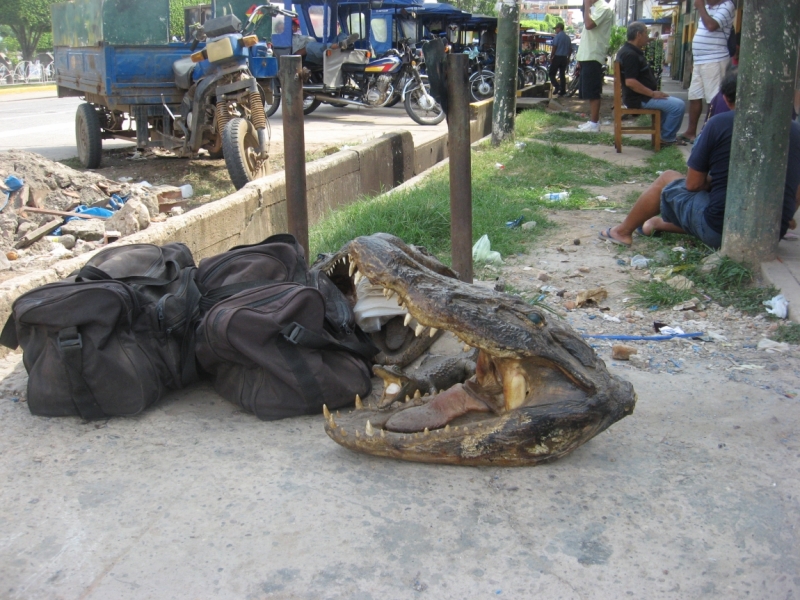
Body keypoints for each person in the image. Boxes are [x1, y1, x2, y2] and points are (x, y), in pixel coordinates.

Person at [598, 71, 800, 249]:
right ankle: (656, 224)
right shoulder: (795, 130)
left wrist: (711, 182)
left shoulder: (720, 123)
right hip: (771, 234)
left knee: (668, 178)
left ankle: (622, 232)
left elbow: (693, 184)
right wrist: (786, 214)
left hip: (721, 230)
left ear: (727, 100)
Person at [616, 22, 686, 146]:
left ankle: (663, 136)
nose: (647, 37)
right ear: (638, 35)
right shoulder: (630, 54)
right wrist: (652, 93)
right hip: (639, 98)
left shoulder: (631, 51)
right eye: (646, 34)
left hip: (643, 96)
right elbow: (630, 82)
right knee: (678, 106)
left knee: (671, 104)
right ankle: (666, 139)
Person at [677, 0, 736, 144]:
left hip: (714, 59)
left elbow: (711, 25)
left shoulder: (727, 5)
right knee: (694, 95)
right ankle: (691, 131)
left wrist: (701, 8)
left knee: (714, 99)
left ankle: (707, 133)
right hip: (700, 60)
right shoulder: (708, 7)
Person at [575, 0, 614, 132]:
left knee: (593, 91)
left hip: (594, 55)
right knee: (588, 91)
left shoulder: (603, 8)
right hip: (587, 55)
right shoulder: (594, 8)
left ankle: (594, 123)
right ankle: (592, 121)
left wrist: (586, 5)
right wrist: (580, 58)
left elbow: (589, 24)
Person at [549, 23, 572, 97]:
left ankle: (557, 86)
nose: (555, 30)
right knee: (562, 75)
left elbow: (554, 47)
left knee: (551, 74)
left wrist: (551, 57)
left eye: (556, 28)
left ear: (559, 28)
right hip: (564, 58)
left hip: (557, 57)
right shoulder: (568, 38)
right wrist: (568, 58)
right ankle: (563, 91)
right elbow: (570, 49)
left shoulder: (557, 37)